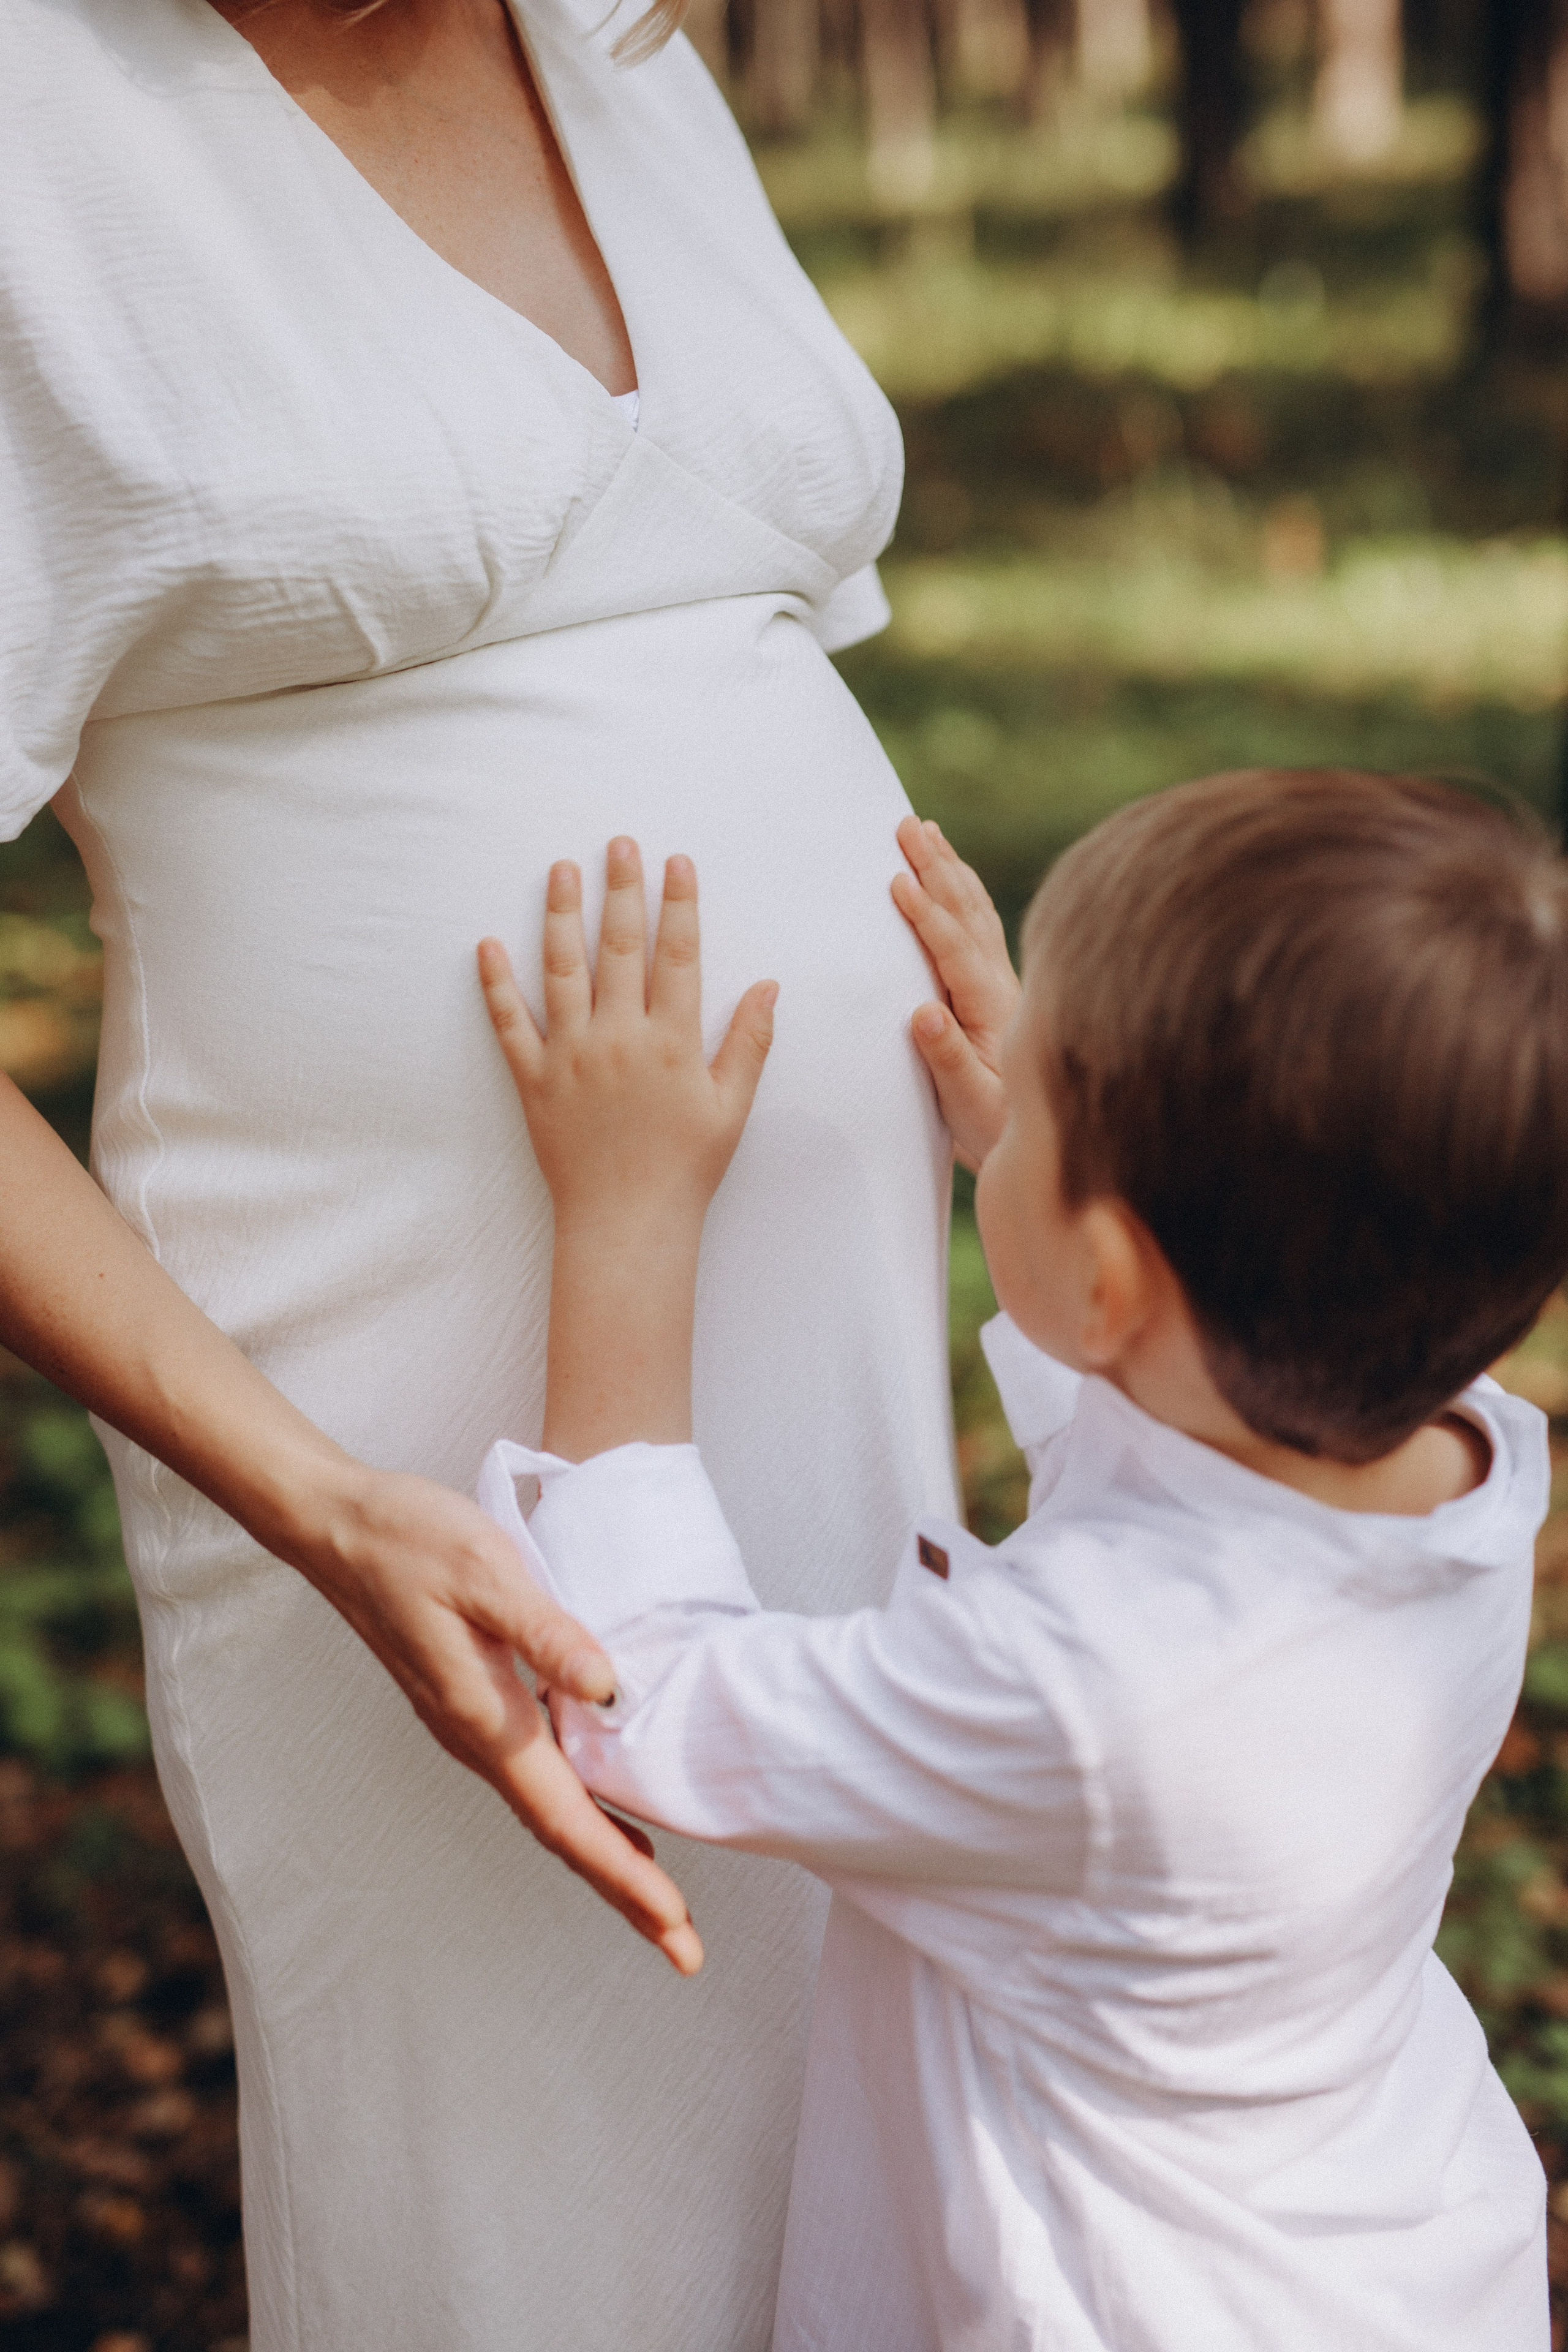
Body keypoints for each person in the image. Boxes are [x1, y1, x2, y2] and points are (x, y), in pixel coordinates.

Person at [0, 0, 954, 2340]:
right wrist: (316, 1502)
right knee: (530, 2188)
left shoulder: (617, 45)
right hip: (380, 1407)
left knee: (861, 2107)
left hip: (837, 1340)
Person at [475, 772, 1562, 2351]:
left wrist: (625, 1216)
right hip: (1389, 2257)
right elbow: (1189, 1494)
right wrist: (1061, 1157)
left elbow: (634, 1688)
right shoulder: (1465, 1462)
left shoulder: (1074, 1696)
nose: (1007, 1091)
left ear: (1113, 1282)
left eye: (1037, 1093)